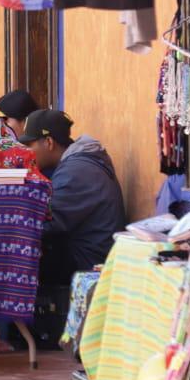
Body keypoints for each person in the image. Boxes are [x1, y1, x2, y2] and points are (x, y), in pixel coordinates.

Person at [19, 109, 125, 287]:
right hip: (85, 253)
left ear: (49, 142)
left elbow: (49, 221)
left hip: (89, 262)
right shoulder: (76, 164)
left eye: (29, 146)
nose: (25, 153)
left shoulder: (76, 172)